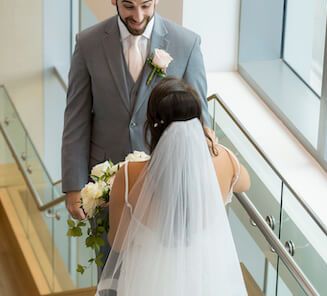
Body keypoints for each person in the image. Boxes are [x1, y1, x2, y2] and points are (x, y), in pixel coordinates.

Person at [62, 0, 210, 262]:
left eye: (145, 5)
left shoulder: (187, 44)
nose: (138, 16)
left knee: (159, 268)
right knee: (111, 267)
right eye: (128, 6)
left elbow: (199, 117)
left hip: (166, 182)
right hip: (105, 185)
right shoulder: (88, 43)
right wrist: (74, 185)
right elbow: (76, 119)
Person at [97, 77, 250, 295]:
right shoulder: (224, 159)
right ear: (199, 123)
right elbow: (245, 183)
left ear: (152, 125)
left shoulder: (129, 175)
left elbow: (118, 243)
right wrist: (212, 145)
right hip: (206, 278)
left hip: (149, 281)